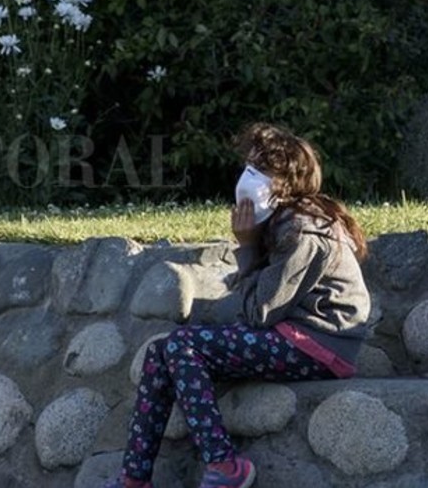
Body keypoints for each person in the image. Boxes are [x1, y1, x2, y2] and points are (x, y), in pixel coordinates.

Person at [108, 122, 372, 488]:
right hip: (292, 335)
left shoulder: (303, 232)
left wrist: (246, 246)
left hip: (319, 345)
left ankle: (225, 465)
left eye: (261, 170)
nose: (249, 177)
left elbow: (259, 312)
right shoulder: (283, 221)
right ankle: (134, 479)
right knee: (159, 352)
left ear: (287, 182)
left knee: (182, 344)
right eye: (249, 166)